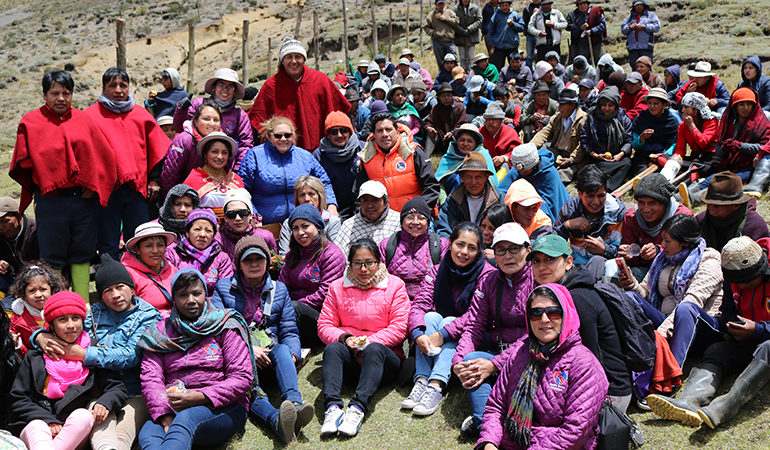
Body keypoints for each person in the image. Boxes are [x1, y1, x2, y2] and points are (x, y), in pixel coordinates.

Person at [33, 255, 161, 450]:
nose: (115, 295)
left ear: (132, 288)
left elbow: (131, 356)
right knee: (101, 430)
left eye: (120, 287)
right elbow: (65, 328)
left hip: (135, 392)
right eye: (108, 290)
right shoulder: (94, 313)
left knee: (122, 435)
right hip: (100, 390)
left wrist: (83, 354)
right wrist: (39, 336)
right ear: (101, 296)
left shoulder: (148, 316)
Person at [11, 70, 115, 299]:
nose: (60, 98)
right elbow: (24, 159)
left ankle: (82, 303)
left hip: (82, 199)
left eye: (66, 93)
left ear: (72, 95)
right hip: (50, 199)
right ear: (44, 95)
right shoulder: (31, 122)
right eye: (54, 93)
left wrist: (93, 183)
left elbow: (102, 155)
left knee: (83, 251)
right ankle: (56, 303)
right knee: (52, 254)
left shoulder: (84, 120)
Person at [647, 236, 770, 428]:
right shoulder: (733, 275)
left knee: (768, 347)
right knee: (717, 350)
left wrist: (758, 329)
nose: (743, 286)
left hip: (765, 340)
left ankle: (725, 406)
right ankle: (690, 401)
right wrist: (733, 324)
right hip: (746, 338)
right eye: (739, 283)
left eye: (748, 281)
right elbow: (728, 309)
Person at [476, 284, 608, 448]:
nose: (544, 319)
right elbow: (496, 407)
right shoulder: (519, 353)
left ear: (567, 315)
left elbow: (574, 432)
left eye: (553, 312)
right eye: (536, 313)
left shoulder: (584, 364)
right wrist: (489, 442)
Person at [210, 236, 313, 443]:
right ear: (239, 263)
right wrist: (248, 351)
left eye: (259, 259)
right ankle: (278, 422)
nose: (254, 264)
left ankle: (294, 403)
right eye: (248, 260)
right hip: (238, 359)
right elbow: (219, 331)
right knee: (244, 388)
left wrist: (292, 356)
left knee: (283, 349)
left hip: (272, 358)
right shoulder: (223, 289)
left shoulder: (279, 289)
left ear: (267, 260)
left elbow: (289, 329)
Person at [137, 269, 255, 449]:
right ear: (174, 299)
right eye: (183, 295)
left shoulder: (225, 324)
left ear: (205, 295)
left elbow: (242, 377)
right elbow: (151, 379)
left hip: (224, 407)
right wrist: (166, 415)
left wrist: (200, 397)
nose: (191, 300)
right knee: (148, 434)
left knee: (186, 420)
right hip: (174, 408)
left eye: (196, 293)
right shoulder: (158, 334)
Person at [10, 292, 128, 450]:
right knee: (37, 426)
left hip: (76, 429)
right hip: (38, 423)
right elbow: (18, 398)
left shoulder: (92, 354)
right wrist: (48, 420)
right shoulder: (35, 357)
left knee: (83, 415)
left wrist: (105, 402)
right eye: (62, 319)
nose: (71, 325)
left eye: (75, 318)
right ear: (51, 325)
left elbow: (116, 387)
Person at [318, 238, 410, 437]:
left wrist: (368, 342)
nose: (364, 268)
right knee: (333, 348)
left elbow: (400, 327)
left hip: (383, 360)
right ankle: (333, 408)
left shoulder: (395, 286)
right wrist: (345, 338)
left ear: (379, 262)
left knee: (374, 349)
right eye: (357, 263)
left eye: (369, 262)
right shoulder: (337, 287)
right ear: (350, 264)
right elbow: (325, 324)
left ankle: (357, 408)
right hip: (350, 359)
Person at [529, 234, 631, 412]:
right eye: (536, 261)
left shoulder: (578, 298)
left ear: (568, 262)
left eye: (549, 259)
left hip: (609, 392)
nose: (541, 267)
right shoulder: (557, 292)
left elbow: (591, 358)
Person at [451, 223, 535, 435]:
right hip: (497, 351)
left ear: (528, 250)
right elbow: (474, 325)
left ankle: (486, 423)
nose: (508, 256)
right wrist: (458, 361)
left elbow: (534, 334)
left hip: (531, 355)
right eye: (501, 250)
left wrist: (494, 364)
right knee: (471, 360)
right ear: (493, 254)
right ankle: (488, 422)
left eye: (514, 248)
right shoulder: (489, 281)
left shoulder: (538, 279)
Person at [406, 222, 496, 416]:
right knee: (429, 316)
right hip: (439, 330)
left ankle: (436, 384)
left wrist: (443, 334)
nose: (464, 252)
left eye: (472, 248)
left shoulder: (487, 275)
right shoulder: (438, 269)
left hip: (474, 334)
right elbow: (420, 303)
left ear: (479, 251)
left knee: (448, 322)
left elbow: (475, 315)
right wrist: (417, 333)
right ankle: (421, 380)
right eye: (460, 244)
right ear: (450, 244)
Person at [86, 67, 170, 260]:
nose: (118, 90)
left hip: (136, 189)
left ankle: (138, 282)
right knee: (107, 240)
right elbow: (83, 153)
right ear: (103, 88)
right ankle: (110, 285)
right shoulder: (90, 116)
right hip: (105, 191)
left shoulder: (140, 115)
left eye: (123, 85)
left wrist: (154, 180)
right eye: (112, 85)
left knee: (138, 238)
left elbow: (157, 148)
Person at [621, 214, 723, 370]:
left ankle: (672, 371)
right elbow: (645, 292)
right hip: (667, 322)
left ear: (685, 243)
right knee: (630, 298)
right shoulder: (663, 260)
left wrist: (659, 336)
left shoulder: (708, 261)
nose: (662, 245)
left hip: (702, 328)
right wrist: (631, 284)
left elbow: (693, 301)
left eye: (667, 241)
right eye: (662, 239)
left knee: (686, 308)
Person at [250, 38, 350, 150]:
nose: (293, 61)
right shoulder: (271, 86)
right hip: (283, 153)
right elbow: (258, 119)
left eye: (298, 57)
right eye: (289, 57)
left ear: (304, 59)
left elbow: (340, 111)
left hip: (322, 151)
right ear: (282, 61)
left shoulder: (320, 80)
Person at [239, 115, 338, 226]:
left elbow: (324, 182)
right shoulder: (254, 156)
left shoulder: (305, 156)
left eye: (287, 135)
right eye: (278, 136)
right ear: (269, 136)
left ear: (293, 135)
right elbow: (242, 190)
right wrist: (254, 216)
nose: (283, 139)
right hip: (265, 224)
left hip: (302, 223)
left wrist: (331, 205)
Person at [683, 88, 770, 205]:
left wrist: (740, 146)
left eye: (749, 104)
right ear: (735, 106)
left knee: (725, 181)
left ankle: (695, 199)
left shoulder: (761, 122)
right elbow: (721, 142)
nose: (745, 108)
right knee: (712, 178)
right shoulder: (730, 121)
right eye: (741, 105)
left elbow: (764, 147)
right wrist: (718, 158)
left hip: (749, 166)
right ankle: (682, 195)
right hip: (729, 163)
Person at [279, 204, 346, 346]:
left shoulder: (332, 254)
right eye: (295, 228)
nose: (300, 232)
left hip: (321, 317)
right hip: (292, 311)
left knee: (295, 307)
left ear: (318, 226)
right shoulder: (292, 255)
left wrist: (290, 307)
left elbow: (325, 294)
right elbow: (282, 285)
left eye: (305, 226)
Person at [356, 114, 440, 211]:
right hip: (380, 219)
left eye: (388, 129)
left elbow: (431, 187)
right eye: (379, 131)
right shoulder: (366, 157)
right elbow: (360, 193)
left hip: (415, 217)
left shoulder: (413, 151)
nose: (384, 134)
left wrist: (416, 212)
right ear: (374, 135)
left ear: (397, 131)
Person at [619, 174, 692, 281]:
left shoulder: (682, 218)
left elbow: (686, 254)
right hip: (641, 270)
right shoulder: (631, 217)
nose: (646, 209)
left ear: (664, 203)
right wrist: (628, 254)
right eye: (641, 203)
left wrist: (659, 251)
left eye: (652, 203)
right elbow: (629, 257)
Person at [173, 68, 253, 160]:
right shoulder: (198, 104)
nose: (225, 90)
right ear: (214, 87)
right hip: (193, 161)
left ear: (234, 91)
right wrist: (181, 111)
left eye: (230, 87)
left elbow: (245, 145)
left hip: (223, 165)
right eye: (221, 85)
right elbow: (180, 128)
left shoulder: (240, 115)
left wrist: (236, 169)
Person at [555, 165, 626, 266]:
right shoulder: (570, 209)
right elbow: (553, 243)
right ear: (579, 194)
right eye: (590, 196)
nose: (596, 202)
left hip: (606, 265)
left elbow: (623, 252)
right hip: (576, 265)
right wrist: (567, 226)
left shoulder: (616, 211)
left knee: (597, 261)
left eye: (601, 196)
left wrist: (604, 250)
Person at [380, 195, 449, 299]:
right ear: (402, 222)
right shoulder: (388, 245)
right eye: (410, 217)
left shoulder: (440, 244)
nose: (415, 222)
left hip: (429, 300)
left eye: (421, 218)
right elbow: (380, 279)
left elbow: (446, 278)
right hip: (395, 300)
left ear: (428, 222)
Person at [161, 99, 225, 194]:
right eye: (206, 119)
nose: (211, 124)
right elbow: (170, 176)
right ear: (195, 121)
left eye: (216, 120)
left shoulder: (224, 141)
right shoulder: (184, 140)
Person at [694, 172, 770, 252]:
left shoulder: (754, 225)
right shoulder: (700, 220)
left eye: (717, 206)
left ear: (736, 205)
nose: (710, 210)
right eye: (708, 204)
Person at [165, 208, 234, 295]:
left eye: (208, 230)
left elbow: (225, 291)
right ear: (187, 233)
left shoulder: (221, 258)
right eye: (197, 229)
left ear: (213, 235)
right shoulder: (173, 254)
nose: (202, 235)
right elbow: (168, 286)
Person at [497, 142, 570, 222]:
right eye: (520, 171)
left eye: (525, 172)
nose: (522, 174)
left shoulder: (549, 173)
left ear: (534, 166)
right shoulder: (518, 170)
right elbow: (501, 191)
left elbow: (549, 205)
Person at [580, 86, 633, 191]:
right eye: (603, 105)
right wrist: (596, 155)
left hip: (617, 158)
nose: (607, 109)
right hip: (597, 158)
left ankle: (608, 187)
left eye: (610, 105)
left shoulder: (623, 119)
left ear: (616, 105)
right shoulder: (592, 119)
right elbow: (584, 141)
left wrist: (620, 154)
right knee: (595, 167)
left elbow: (628, 141)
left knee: (627, 164)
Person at [530, 88, 588, 183]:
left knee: (562, 174)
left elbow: (582, 145)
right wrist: (531, 146)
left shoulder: (583, 120)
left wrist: (571, 159)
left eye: (562, 105)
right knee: (541, 153)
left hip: (573, 158)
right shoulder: (558, 117)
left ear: (572, 105)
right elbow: (545, 132)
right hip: (557, 152)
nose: (559, 108)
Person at [438, 151, 502, 237]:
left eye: (478, 177)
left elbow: (505, 230)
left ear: (486, 177)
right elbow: (443, 228)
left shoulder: (499, 199)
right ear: (462, 177)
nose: (473, 182)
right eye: (468, 177)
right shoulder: (453, 200)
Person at [183, 132, 244, 220]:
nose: (220, 157)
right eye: (214, 152)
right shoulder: (194, 179)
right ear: (205, 154)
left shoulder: (236, 179)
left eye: (224, 153)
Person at [313, 112, 362, 220]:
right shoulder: (319, 155)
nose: (339, 135)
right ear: (328, 135)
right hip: (333, 210)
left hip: (362, 208)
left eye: (343, 130)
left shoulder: (362, 149)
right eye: (334, 132)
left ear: (350, 131)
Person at [8, 264, 66, 356]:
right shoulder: (17, 318)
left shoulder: (63, 312)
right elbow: (19, 349)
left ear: (52, 290)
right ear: (24, 295)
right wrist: (15, 343)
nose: (38, 294)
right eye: (32, 291)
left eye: (43, 289)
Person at [121, 222, 179, 311]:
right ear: (137, 249)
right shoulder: (128, 275)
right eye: (148, 246)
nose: (155, 251)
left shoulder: (173, 270)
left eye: (160, 245)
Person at [279, 176, 342, 256]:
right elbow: (284, 256)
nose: (306, 199)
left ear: (320, 197)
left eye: (311, 194)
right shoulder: (288, 223)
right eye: (302, 195)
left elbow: (334, 254)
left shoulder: (332, 221)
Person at [336, 181, 402, 254]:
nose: (370, 205)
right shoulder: (349, 225)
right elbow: (339, 257)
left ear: (385, 202)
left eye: (375, 200)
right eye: (365, 200)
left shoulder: (399, 221)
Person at [435, 123, 498, 196]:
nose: (465, 144)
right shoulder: (450, 156)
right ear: (457, 141)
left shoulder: (483, 155)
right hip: (450, 200)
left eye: (470, 141)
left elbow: (491, 182)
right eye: (462, 140)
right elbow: (439, 180)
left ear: (475, 143)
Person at [630, 87, 680, 176]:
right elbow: (634, 145)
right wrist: (641, 138)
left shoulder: (672, 121)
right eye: (649, 103)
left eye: (656, 104)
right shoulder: (641, 119)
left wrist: (665, 154)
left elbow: (674, 143)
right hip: (643, 155)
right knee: (641, 172)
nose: (652, 107)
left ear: (664, 105)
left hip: (663, 156)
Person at [216, 189, 277, 259]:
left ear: (250, 215)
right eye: (231, 214)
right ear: (225, 218)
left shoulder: (266, 237)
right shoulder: (218, 239)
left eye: (243, 213)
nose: (237, 218)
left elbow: (274, 265)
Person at [671, 92, 719, 178]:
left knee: (702, 169)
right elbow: (680, 149)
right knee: (666, 160)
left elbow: (703, 142)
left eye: (686, 107)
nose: (682, 110)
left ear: (696, 110)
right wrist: (675, 159)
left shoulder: (712, 121)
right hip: (695, 156)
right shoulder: (683, 126)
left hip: (710, 157)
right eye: (682, 107)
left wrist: (691, 126)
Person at [0, 198, 38, 293]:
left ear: (18, 215)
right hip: (13, 281)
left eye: (5, 221)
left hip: (36, 283)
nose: (1, 227)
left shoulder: (36, 231)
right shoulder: (1, 234)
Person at [423, 83, 469, 156]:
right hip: (440, 139)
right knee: (430, 135)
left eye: (448, 95)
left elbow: (462, 124)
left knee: (460, 136)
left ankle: (458, 156)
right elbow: (428, 122)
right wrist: (429, 128)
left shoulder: (460, 107)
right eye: (443, 96)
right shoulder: (436, 108)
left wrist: (453, 132)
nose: (446, 98)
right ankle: (426, 157)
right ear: (439, 97)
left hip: (454, 137)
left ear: (452, 96)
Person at [480, 102, 523, 167]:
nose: (490, 122)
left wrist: (504, 157)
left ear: (501, 120)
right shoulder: (479, 132)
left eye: (494, 119)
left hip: (501, 166)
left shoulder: (510, 132)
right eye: (488, 119)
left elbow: (517, 152)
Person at [487, 0, 526, 70]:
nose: (504, 7)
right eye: (502, 5)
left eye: (506, 5)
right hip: (499, 46)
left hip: (512, 46)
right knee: (497, 68)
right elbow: (490, 30)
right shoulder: (496, 16)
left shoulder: (515, 15)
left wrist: (513, 24)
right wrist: (491, 43)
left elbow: (522, 27)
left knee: (515, 67)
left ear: (509, 5)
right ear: (499, 6)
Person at [621, 0, 661, 67]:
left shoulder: (651, 16)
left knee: (646, 67)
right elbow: (623, 30)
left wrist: (645, 27)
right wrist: (630, 27)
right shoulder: (629, 18)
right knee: (634, 68)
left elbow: (657, 27)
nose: (639, 6)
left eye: (640, 4)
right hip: (632, 48)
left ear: (644, 5)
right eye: (637, 5)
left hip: (646, 48)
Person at [566, 0, 606, 64]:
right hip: (582, 44)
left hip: (596, 42)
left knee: (602, 61)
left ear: (588, 4)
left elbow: (603, 25)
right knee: (583, 63)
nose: (582, 6)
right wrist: (580, 29)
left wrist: (592, 31)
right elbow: (572, 29)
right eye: (580, 4)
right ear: (577, 6)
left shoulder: (596, 12)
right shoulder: (575, 16)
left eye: (584, 3)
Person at [424, 0, 460, 69]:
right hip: (438, 42)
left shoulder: (449, 12)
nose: (441, 6)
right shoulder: (431, 15)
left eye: (442, 4)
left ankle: (456, 75)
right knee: (441, 62)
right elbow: (425, 27)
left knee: (454, 60)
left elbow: (456, 21)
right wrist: (433, 33)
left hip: (449, 41)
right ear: (436, 5)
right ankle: (443, 77)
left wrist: (446, 18)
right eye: (439, 4)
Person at [454, 0, 483, 70]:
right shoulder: (455, 9)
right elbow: (453, 22)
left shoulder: (475, 8)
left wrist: (469, 29)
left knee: (471, 58)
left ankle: (470, 73)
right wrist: (461, 30)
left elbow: (479, 20)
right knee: (462, 58)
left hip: (471, 37)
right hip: (460, 37)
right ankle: (463, 74)